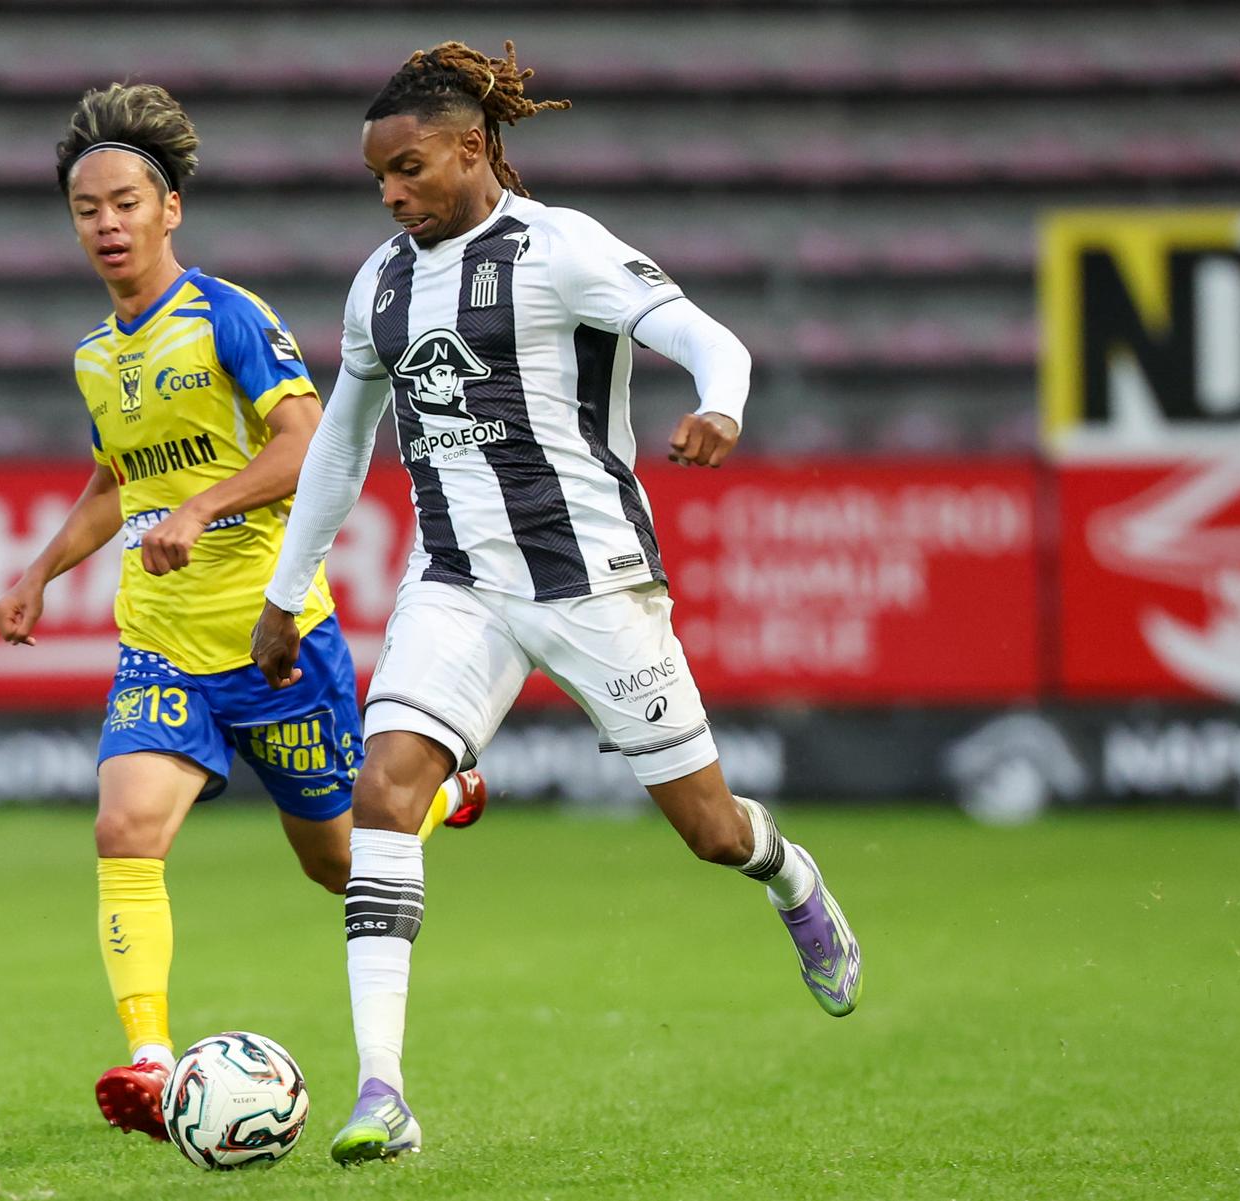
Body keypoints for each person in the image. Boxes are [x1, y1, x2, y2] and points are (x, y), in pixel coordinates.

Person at [251, 41, 863, 1165]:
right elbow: (341, 444)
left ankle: (793, 878)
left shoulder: (560, 247)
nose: (391, 194)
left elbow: (701, 335)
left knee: (709, 831)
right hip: (458, 586)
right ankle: (382, 1089)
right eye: (378, 178)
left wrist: (720, 403)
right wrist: (289, 591)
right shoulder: (380, 281)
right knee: (383, 795)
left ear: (474, 149)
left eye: (410, 168)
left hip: (593, 587)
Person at [0, 82, 487, 1143]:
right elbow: (115, 482)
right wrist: (40, 572)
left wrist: (206, 505)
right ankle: (153, 1064)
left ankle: (446, 798)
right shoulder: (96, 356)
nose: (108, 223)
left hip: (273, 640)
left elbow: (307, 440)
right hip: (161, 645)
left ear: (170, 210)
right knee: (124, 826)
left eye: (127, 202)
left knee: (340, 862)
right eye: (88, 209)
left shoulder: (229, 316)